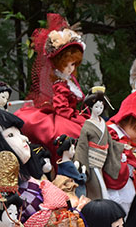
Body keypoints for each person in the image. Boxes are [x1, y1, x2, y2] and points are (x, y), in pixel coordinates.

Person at [16, 14, 87, 161]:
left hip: (70, 115)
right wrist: (76, 118)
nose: (69, 69)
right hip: (63, 117)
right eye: (66, 65)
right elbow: (61, 108)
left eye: (73, 64)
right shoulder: (59, 84)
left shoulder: (68, 79)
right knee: (69, 136)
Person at [74, 87, 123, 200]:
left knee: (101, 185)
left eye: (101, 107)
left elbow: (109, 140)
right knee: (97, 187)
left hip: (101, 160)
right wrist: (78, 160)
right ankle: (96, 207)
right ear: (91, 107)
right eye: (96, 107)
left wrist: (121, 146)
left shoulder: (103, 123)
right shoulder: (87, 125)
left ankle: (99, 206)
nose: (99, 109)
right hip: (91, 161)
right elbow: (82, 145)